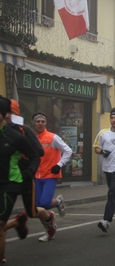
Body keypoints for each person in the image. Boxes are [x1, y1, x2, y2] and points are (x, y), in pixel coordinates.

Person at [0, 96, 40, 262]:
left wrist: (29, 171)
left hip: (10, 185)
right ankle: (17, 222)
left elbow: (35, 155)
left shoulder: (15, 136)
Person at [32, 111, 72, 241]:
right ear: (34, 123)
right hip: (37, 176)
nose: (40, 123)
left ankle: (58, 201)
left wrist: (59, 164)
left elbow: (68, 151)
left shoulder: (52, 137)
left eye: (42, 121)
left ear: (46, 123)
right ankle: (49, 231)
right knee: (37, 209)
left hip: (50, 174)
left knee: (44, 204)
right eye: (38, 121)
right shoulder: (31, 138)